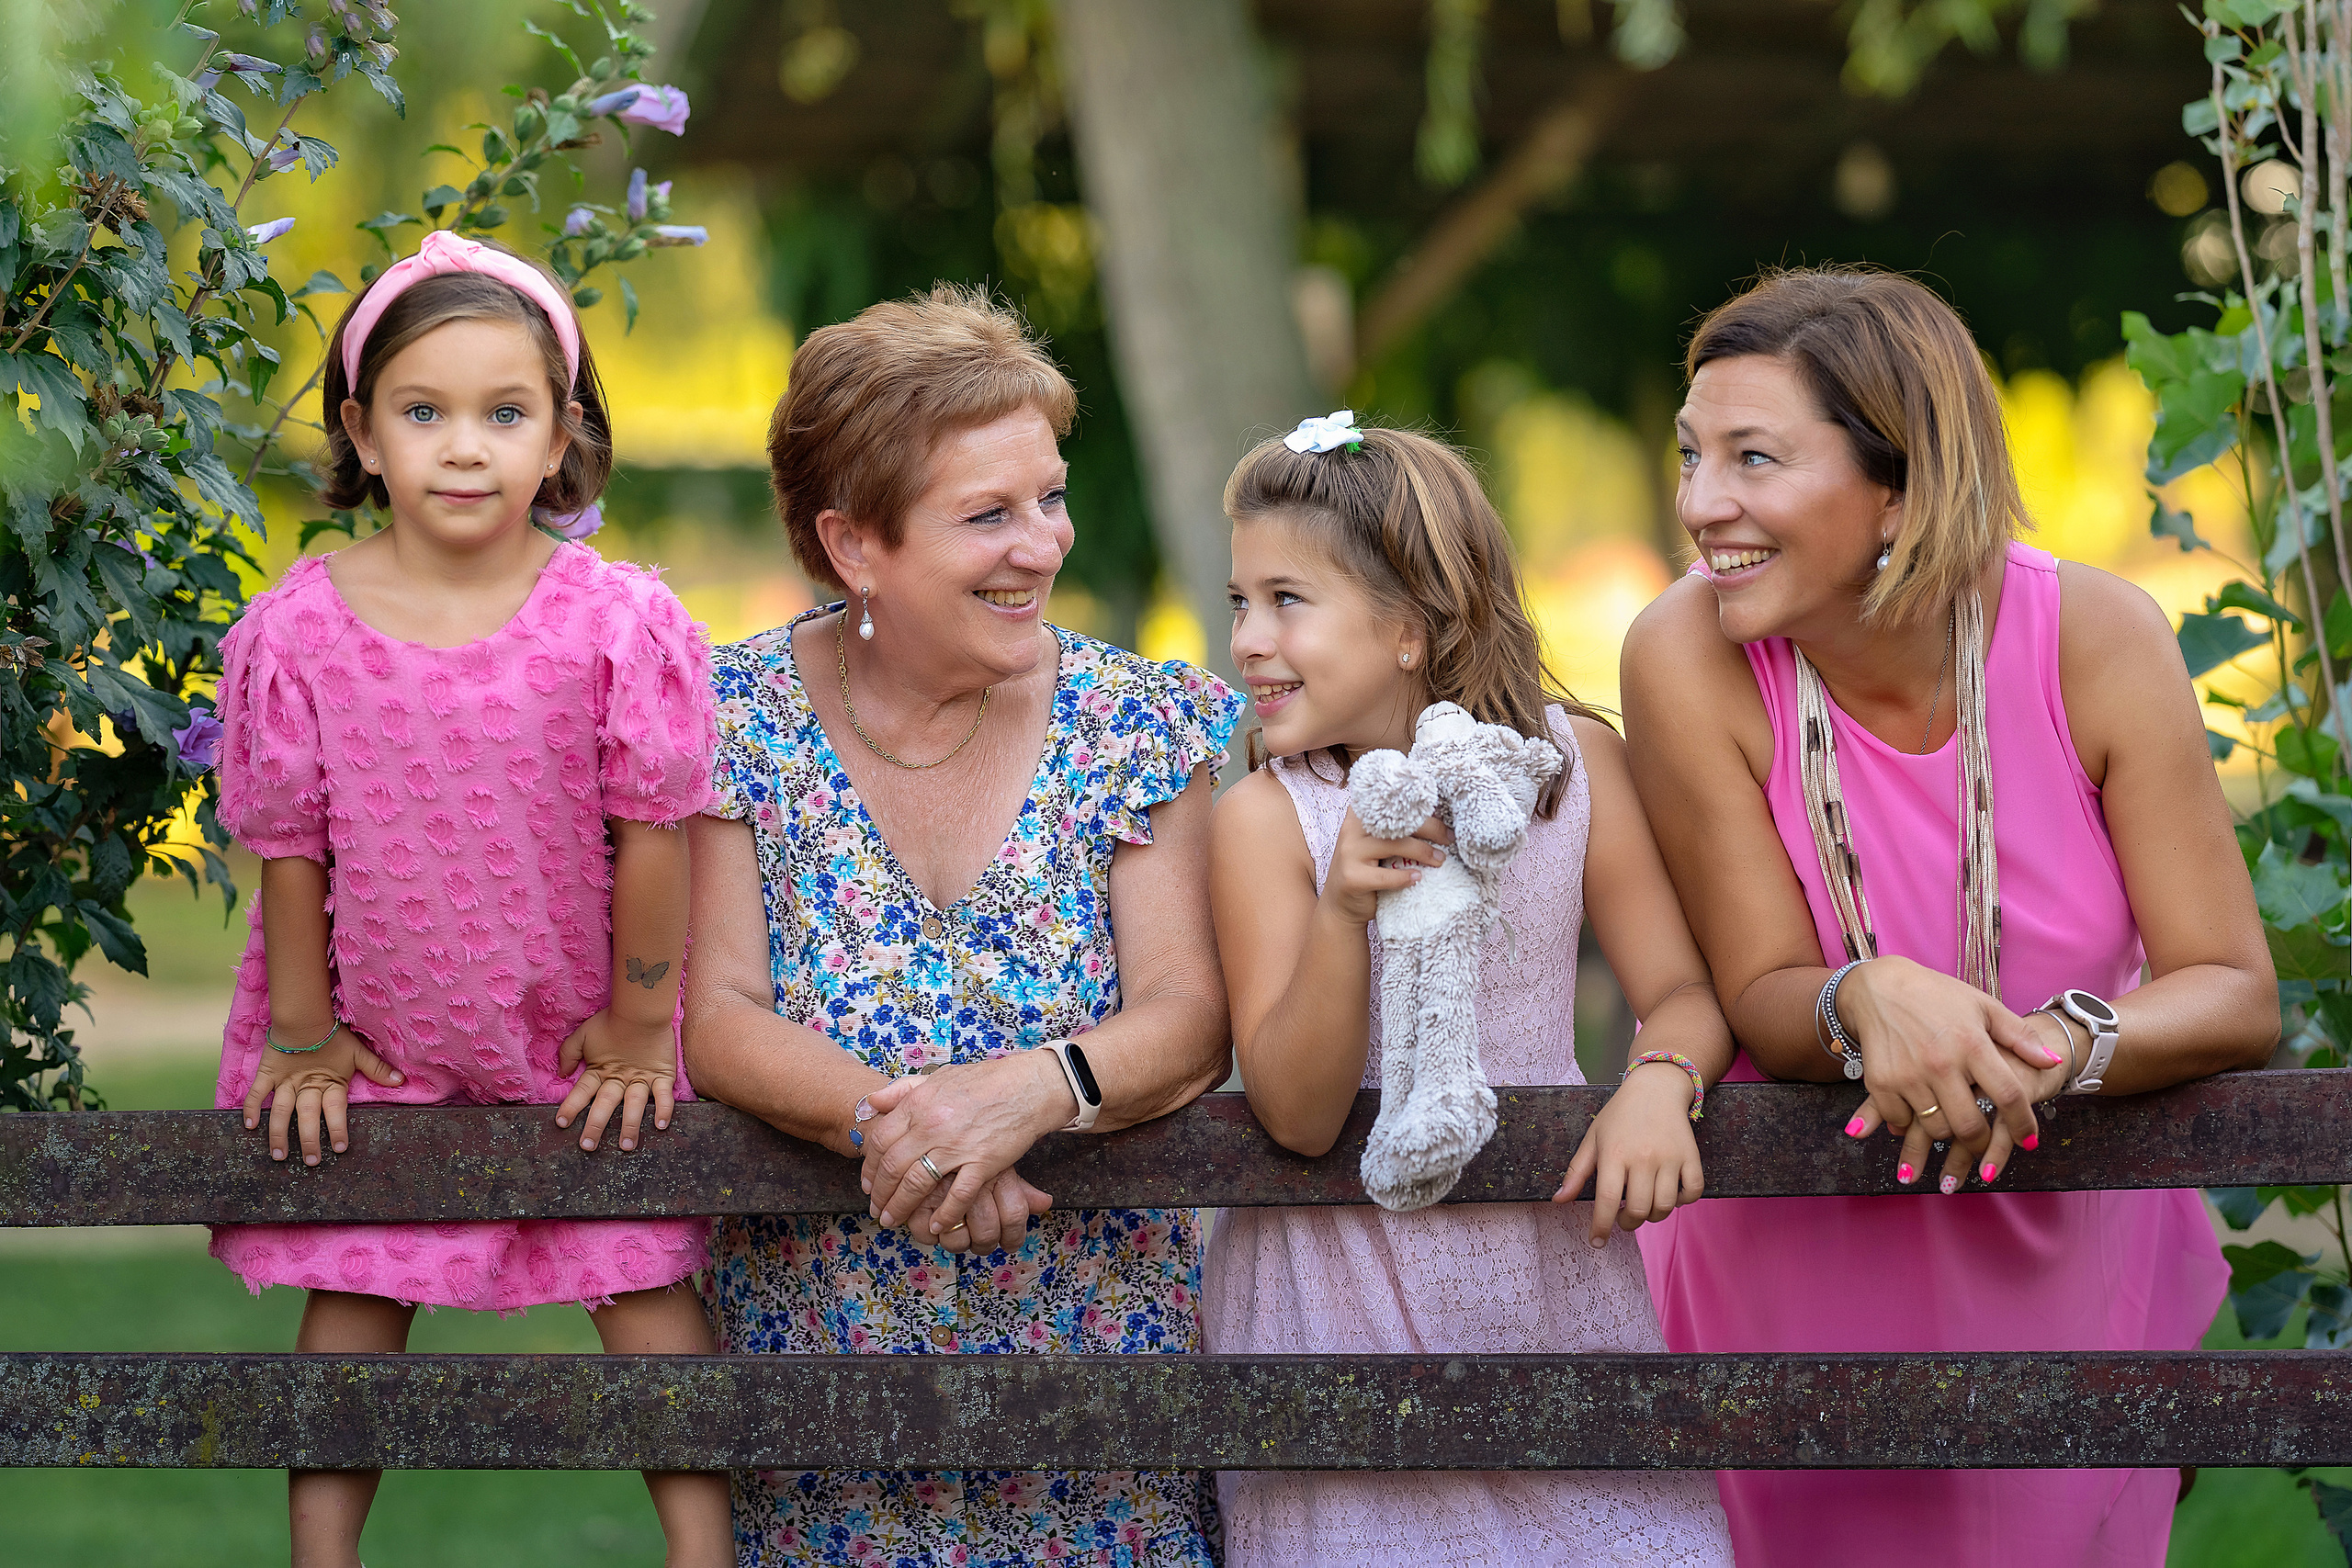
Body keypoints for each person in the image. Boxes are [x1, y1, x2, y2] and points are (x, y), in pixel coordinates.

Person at [1624, 267, 2280, 1565]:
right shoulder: (1682, 653)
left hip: (2063, 1253)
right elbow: (1760, 982)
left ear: (1905, 482)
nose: (1703, 505)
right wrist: (1863, 992)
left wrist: (2044, 1046)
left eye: (1754, 458)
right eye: (1693, 456)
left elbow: (2228, 983)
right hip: (1788, 1267)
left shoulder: (2093, 633)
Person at [682, 283, 1242, 1565]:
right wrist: (928, 1134)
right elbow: (718, 1013)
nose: (1041, 543)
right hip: (830, 1374)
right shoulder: (736, 713)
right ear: (855, 543)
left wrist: (1032, 1091)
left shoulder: (1135, 719)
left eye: (1048, 496)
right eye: (987, 514)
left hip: (1098, 1383)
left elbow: (1187, 1014)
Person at [206, 230, 731, 1568]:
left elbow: (655, 829)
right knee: (354, 1284)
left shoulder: (614, 620)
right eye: (422, 411)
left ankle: (701, 1542)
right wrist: (309, 1035)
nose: (462, 445)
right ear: (361, 434)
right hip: (382, 1040)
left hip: (579, 1042)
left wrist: (635, 1023)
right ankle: (323, 1553)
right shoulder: (301, 630)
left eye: (505, 413)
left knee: (641, 1268)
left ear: (561, 436)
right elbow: (289, 849)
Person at [1201, 417, 1736, 1566]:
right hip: (1338, 1303)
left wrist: (1657, 1080)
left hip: (1549, 1289)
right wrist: (1344, 908)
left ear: (1409, 627)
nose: (1247, 638)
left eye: (1287, 600)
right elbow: (1294, 1113)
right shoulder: (1263, 819)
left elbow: (1683, 991)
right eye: (1239, 600)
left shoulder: (1570, 770)